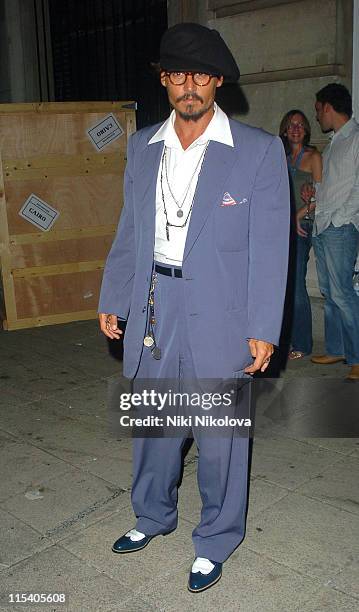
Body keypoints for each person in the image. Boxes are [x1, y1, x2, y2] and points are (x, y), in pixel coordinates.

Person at [98, 22, 290, 593]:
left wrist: (262, 326)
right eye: (178, 74)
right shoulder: (141, 146)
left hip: (222, 308)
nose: (190, 85)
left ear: (218, 82)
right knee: (154, 422)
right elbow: (130, 229)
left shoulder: (256, 151)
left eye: (201, 75)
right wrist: (115, 293)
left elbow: (271, 245)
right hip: (156, 300)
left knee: (219, 432)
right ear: (164, 81)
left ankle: (216, 538)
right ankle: (152, 516)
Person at [307, 84, 359, 380]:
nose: (317, 117)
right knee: (330, 293)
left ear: (327, 107)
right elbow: (331, 184)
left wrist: (341, 219)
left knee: (343, 294)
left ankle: (357, 356)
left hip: (340, 227)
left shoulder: (355, 138)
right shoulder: (335, 141)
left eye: (317, 110)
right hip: (324, 227)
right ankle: (338, 348)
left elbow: (357, 188)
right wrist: (313, 190)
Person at [279, 110, 322, 360]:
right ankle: (288, 339)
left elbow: (320, 194)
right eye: (291, 125)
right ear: (285, 130)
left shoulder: (313, 156)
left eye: (300, 125)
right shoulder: (281, 158)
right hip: (283, 226)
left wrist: (296, 215)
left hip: (301, 224)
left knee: (296, 284)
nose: (296, 128)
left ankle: (303, 343)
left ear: (306, 130)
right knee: (283, 285)